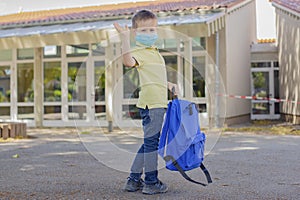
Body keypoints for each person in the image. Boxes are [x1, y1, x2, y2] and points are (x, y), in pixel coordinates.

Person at [113, 10, 177, 195]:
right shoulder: (139, 51)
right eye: (145, 30)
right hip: (152, 105)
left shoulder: (154, 52)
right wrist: (124, 39)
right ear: (135, 33)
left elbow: (154, 77)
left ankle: (133, 181)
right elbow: (127, 62)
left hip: (157, 103)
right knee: (151, 144)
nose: (150, 34)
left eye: (152, 30)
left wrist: (169, 84)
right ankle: (151, 182)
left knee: (148, 143)